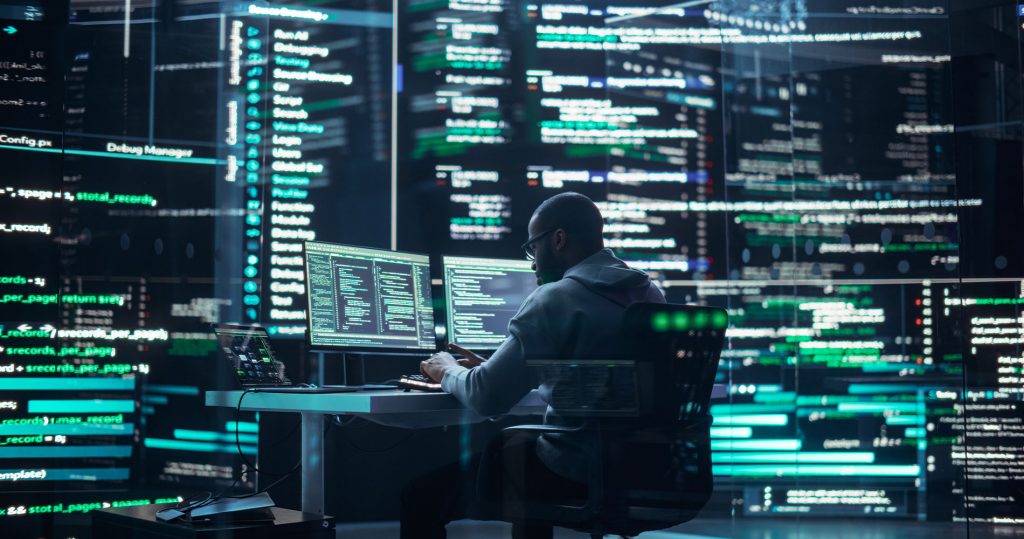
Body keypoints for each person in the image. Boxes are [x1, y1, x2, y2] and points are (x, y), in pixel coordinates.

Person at [401, 192, 666, 538]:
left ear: (558, 239)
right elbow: (607, 383)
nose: (532, 263)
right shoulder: (650, 294)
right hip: (649, 471)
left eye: (533, 248)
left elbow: (487, 398)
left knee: (419, 497)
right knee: (526, 460)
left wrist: (447, 369)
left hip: (574, 471)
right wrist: (500, 368)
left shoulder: (555, 297)